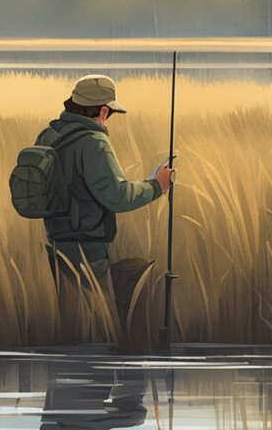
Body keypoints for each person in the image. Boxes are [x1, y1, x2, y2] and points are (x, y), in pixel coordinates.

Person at [37, 75, 174, 339]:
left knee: (69, 322)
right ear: (102, 110)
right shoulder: (94, 142)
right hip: (88, 250)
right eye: (109, 113)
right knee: (100, 324)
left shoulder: (48, 135)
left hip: (55, 246)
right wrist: (157, 186)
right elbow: (117, 196)